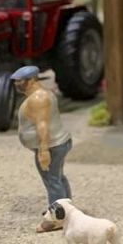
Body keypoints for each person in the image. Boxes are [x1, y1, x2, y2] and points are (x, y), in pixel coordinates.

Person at [11, 65, 74, 233]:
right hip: (57, 144)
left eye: (19, 81)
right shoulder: (41, 94)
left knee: (52, 180)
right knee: (58, 177)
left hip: (51, 146)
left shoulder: (38, 98)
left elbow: (42, 125)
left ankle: (57, 218)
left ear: (31, 80)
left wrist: (43, 150)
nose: (16, 84)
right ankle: (66, 210)